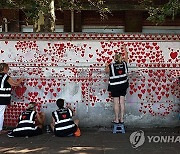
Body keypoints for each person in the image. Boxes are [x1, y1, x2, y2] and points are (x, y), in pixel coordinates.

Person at [105, 45, 129, 124]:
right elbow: (126, 57)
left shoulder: (111, 65)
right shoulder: (124, 64)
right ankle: (121, 119)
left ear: (115, 58)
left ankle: (116, 119)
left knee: (116, 103)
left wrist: (106, 65)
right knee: (122, 102)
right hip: (123, 85)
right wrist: (125, 49)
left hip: (114, 86)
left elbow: (106, 71)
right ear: (121, 58)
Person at [0, 63, 24, 135]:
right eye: (7, 68)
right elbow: (15, 84)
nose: (8, 70)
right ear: (4, 69)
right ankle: (0, 129)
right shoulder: (6, 77)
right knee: (1, 114)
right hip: (2, 98)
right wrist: (21, 79)